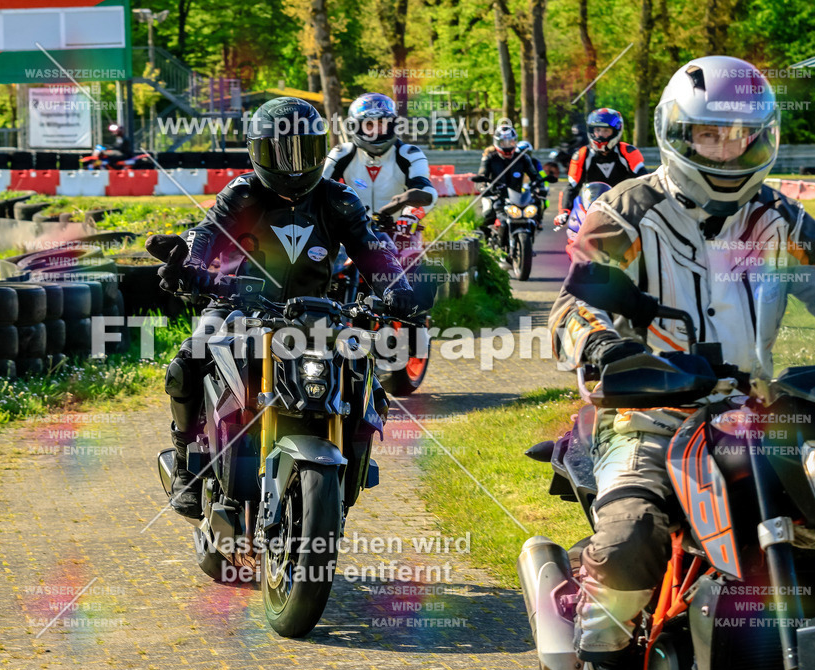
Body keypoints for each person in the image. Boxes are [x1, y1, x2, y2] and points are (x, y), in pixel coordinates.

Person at [548, 55, 815, 670]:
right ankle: (603, 663)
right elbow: (573, 307)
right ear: (680, 135)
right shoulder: (625, 211)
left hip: (758, 416)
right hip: (646, 414)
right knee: (630, 539)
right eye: (710, 134)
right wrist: (603, 350)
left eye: (740, 135)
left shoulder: (779, 217)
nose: (727, 148)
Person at [147, 97, 419, 520]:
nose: (294, 165)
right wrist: (191, 266)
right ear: (258, 151)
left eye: (304, 151)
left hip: (319, 315)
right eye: (281, 151)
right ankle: (186, 463)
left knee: (367, 380)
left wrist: (398, 287)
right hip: (238, 306)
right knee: (189, 359)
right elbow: (206, 234)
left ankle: (346, 459)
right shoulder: (242, 194)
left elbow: (374, 250)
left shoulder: (338, 200)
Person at [323, 93, 437, 235]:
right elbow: (317, 190)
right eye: (369, 124)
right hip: (353, 234)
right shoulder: (341, 153)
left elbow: (427, 190)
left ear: (391, 124)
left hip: (400, 231)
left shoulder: (410, 154)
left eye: (381, 123)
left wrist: (410, 215)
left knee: (411, 255)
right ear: (357, 126)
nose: (376, 130)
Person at [554, 108, 646, 229]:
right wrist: (564, 212)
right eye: (597, 130)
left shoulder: (629, 152)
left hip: (624, 211)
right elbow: (571, 187)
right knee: (572, 243)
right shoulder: (582, 155)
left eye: (606, 130)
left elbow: (643, 183)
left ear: (616, 131)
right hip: (591, 211)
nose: (600, 135)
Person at [474, 124, 547, 234]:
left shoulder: (523, 158)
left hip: (517, 198)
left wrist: (539, 186)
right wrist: (483, 187)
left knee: (534, 209)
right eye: (504, 143)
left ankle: (534, 228)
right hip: (496, 196)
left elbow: (535, 176)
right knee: (488, 213)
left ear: (515, 142)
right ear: (497, 143)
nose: (508, 146)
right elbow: (482, 176)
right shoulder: (489, 158)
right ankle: (485, 240)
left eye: (511, 142)